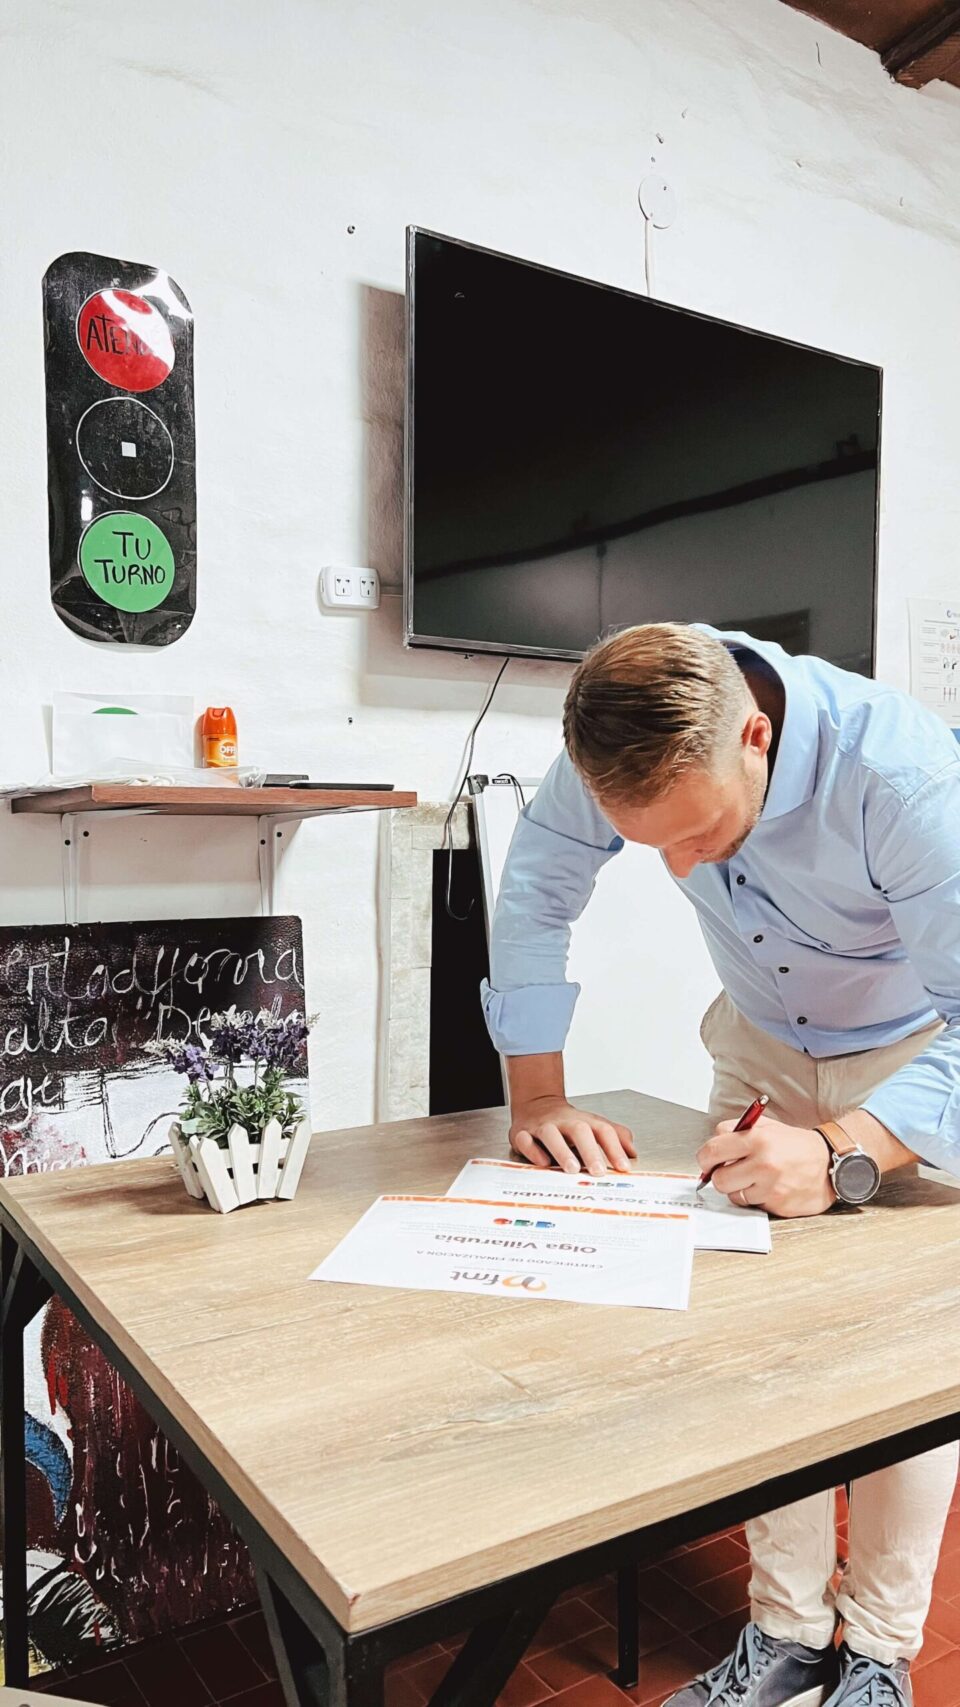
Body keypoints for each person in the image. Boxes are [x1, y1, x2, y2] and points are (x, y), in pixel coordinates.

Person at [481, 623, 960, 1707]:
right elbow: (539, 887)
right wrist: (538, 1095)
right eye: (652, 845)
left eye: (701, 832)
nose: (684, 868)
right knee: (756, 1337)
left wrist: (840, 1152)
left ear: (757, 736)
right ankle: (786, 1632)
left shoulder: (906, 777)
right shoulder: (619, 736)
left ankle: (879, 1652)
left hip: (914, 1058)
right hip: (759, 1041)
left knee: (907, 1351)